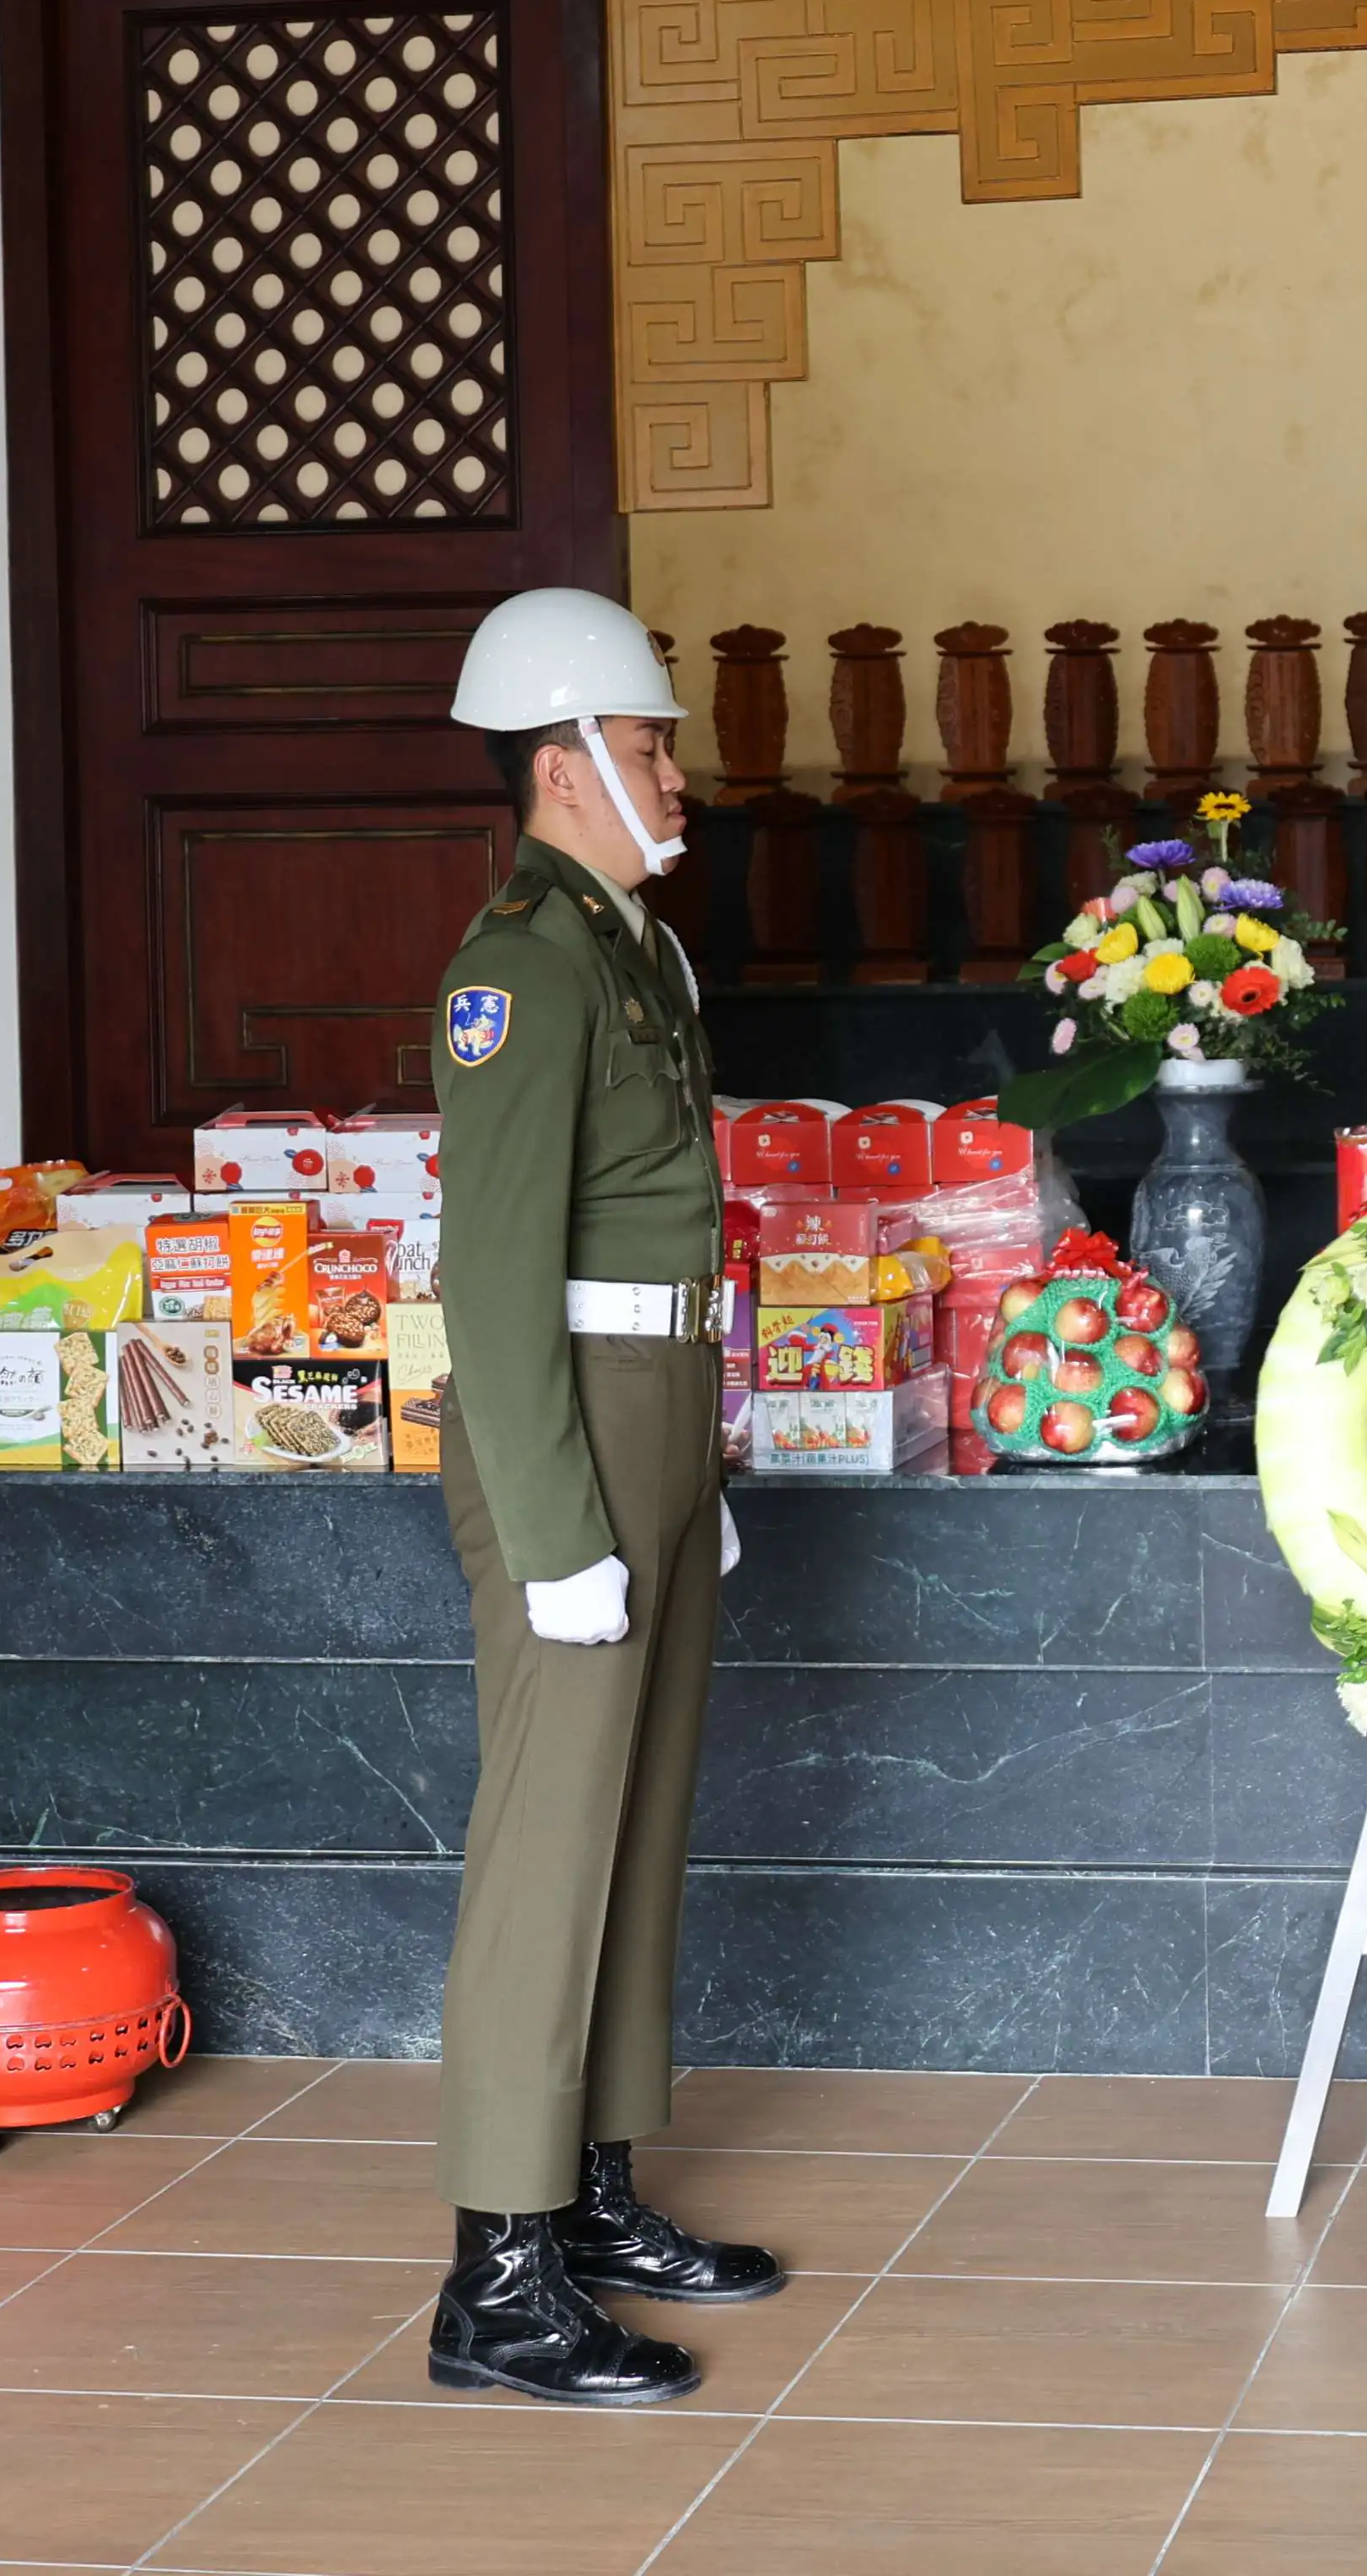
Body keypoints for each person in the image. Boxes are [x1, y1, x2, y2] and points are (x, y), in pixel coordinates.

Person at [422, 586, 781, 2405]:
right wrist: (562, 1530)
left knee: (635, 1822)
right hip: (562, 1421)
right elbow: (495, 1276)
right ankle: (497, 2272)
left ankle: (592, 2194)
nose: (676, 777)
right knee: (552, 1836)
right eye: (650, 748)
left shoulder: (631, 949)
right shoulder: (524, 969)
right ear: (565, 766)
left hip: (653, 1408)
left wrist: (689, 1458)